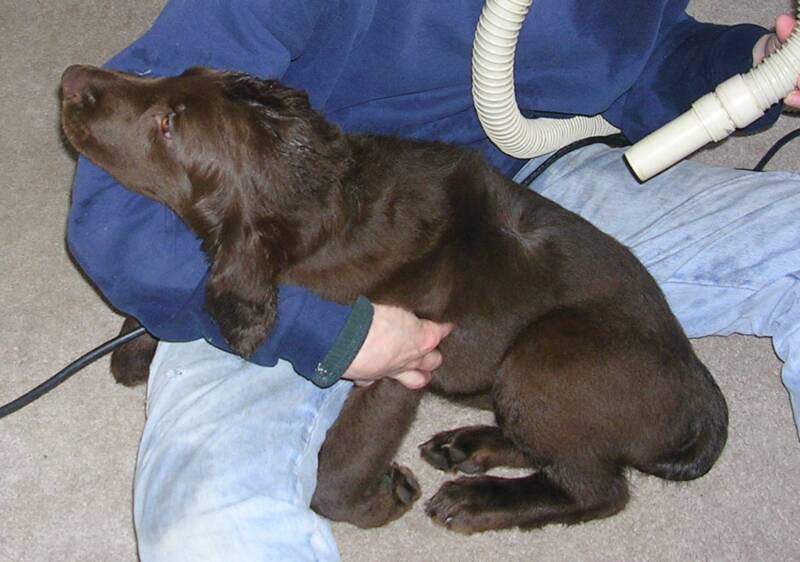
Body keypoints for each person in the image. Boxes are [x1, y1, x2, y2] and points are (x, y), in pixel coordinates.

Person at [66, 2, 800, 560]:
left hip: (531, 196)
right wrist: (329, 334)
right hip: (276, 250)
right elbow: (114, 202)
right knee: (214, 526)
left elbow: (649, 60)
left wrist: (761, 60)